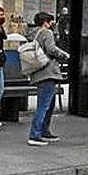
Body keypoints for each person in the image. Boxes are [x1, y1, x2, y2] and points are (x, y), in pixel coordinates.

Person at [27, 12, 70, 147]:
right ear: (45, 22)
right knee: (44, 106)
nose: (53, 23)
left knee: (49, 104)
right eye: (51, 21)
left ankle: (44, 131)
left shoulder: (34, 33)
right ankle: (35, 134)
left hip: (39, 72)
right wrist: (64, 55)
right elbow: (51, 49)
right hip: (48, 72)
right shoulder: (47, 32)